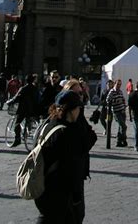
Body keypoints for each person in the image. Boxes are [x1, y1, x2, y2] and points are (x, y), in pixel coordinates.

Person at [33, 91, 87, 223]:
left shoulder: (48, 125)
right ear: (71, 110)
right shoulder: (68, 132)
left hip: (43, 186)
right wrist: (76, 196)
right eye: (78, 108)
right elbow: (72, 166)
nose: (79, 111)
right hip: (61, 192)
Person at [8, 74, 40, 147]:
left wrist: (9, 102)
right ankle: (27, 131)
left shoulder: (24, 88)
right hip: (33, 110)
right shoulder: (35, 88)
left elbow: (17, 98)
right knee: (29, 120)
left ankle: (17, 139)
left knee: (17, 123)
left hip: (23, 110)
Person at [106, 79, 128, 146]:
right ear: (115, 84)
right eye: (118, 84)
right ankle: (123, 139)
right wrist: (115, 101)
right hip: (116, 111)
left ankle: (119, 141)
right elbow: (108, 100)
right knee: (123, 126)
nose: (119, 86)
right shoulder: (112, 91)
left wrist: (124, 106)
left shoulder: (120, 91)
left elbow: (123, 99)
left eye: (120, 84)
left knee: (120, 127)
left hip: (122, 111)